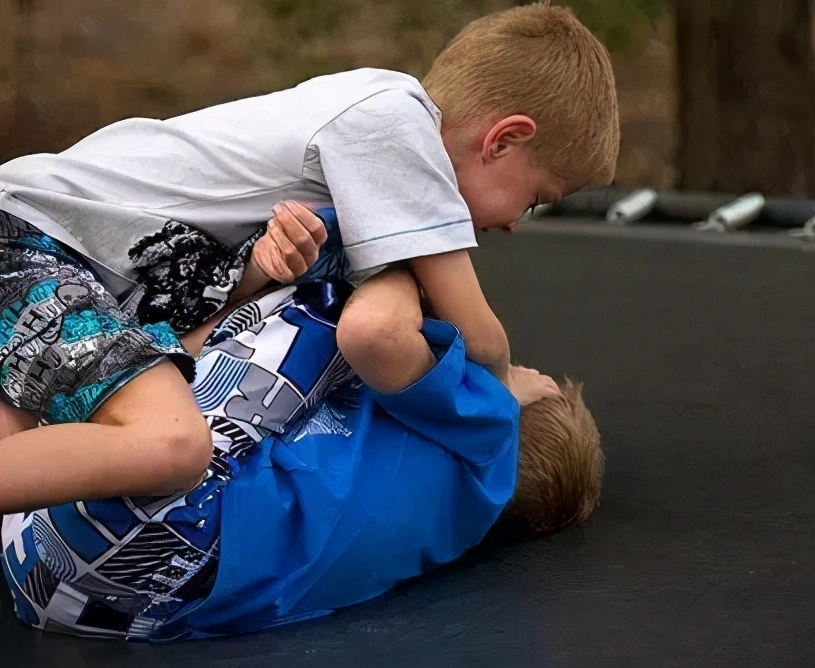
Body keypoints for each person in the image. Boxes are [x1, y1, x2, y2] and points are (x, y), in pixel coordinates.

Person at [0, 2, 620, 514]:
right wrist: (504, 383)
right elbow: (475, 331)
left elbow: (191, 304)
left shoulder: (356, 179)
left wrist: (262, 271)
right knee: (171, 443)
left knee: (30, 454)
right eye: (536, 198)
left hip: (69, 263)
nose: (514, 224)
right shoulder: (392, 121)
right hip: (34, 237)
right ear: (505, 139)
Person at [1, 268, 605, 641]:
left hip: (177, 517)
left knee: (324, 303)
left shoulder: (491, 433)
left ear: (538, 397)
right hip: (77, 592)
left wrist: (399, 254)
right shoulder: (452, 524)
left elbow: (373, 332)